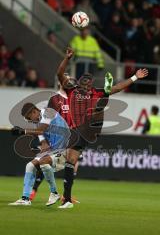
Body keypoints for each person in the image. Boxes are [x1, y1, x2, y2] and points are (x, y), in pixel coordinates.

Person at [56, 47, 148, 209]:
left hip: (86, 128)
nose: (85, 82)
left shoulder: (94, 92)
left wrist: (134, 77)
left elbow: (119, 88)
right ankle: (67, 199)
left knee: (102, 101)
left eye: (88, 81)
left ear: (91, 84)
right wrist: (67, 58)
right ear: (78, 82)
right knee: (70, 161)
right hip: (77, 129)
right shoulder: (72, 90)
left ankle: (105, 96)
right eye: (83, 80)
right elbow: (60, 73)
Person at [9, 103, 70, 206]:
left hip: (66, 149)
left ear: (34, 111)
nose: (29, 121)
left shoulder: (48, 112)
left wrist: (22, 131)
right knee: (30, 166)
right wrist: (43, 148)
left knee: (43, 162)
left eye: (29, 118)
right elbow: (44, 144)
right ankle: (25, 199)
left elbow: (40, 130)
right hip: (53, 150)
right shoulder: (38, 123)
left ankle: (54, 193)